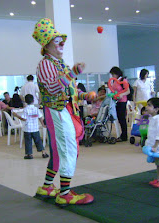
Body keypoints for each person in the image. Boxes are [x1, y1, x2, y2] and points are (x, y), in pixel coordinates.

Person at [32, 18, 96, 206]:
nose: (61, 42)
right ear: (47, 44)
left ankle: (47, 186)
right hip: (57, 110)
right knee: (68, 149)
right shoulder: (45, 64)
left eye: (61, 39)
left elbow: (71, 90)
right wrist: (73, 72)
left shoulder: (59, 63)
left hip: (66, 110)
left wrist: (86, 97)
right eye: (56, 40)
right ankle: (65, 193)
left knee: (61, 151)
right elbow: (53, 88)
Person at [13, 94, 49, 160]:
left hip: (27, 128)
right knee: (38, 140)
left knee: (28, 141)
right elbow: (40, 117)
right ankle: (43, 152)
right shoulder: (36, 109)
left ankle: (29, 154)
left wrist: (16, 115)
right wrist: (43, 124)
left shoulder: (25, 109)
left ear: (25, 101)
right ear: (33, 100)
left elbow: (24, 119)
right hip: (35, 128)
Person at [109, 66, 130, 142]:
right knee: (119, 118)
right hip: (116, 101)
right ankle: (122, 134)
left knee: (122, 118)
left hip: (122, 101)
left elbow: (128, 91)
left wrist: (121, 94)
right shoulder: (115, 81)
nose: (112, 76)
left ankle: (124, 135)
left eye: (113, 74)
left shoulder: (123, 80)